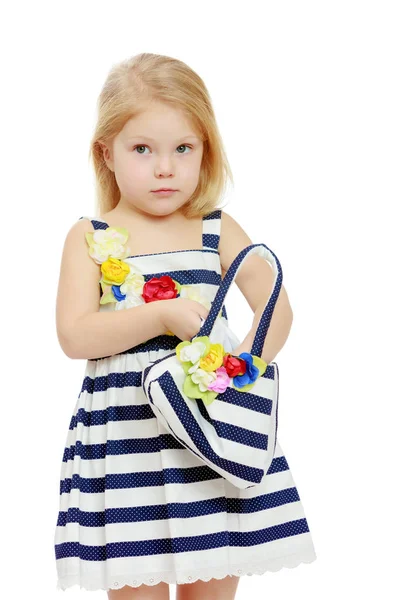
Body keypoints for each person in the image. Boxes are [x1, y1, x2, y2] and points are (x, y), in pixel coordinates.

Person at [54, 52, 317, 599]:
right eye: (143, 149)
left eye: (183, 149)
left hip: (209, 432)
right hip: (127, 438)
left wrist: (245, 367)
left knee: (212, 585)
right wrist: (157, 315)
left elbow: (276, 303)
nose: (165, 167)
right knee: (137, 583)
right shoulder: (89, 236)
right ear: (107, 151)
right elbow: (74, 335)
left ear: (206, 151)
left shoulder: (215, 228)